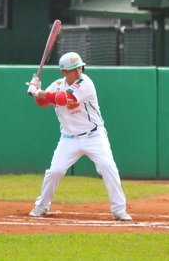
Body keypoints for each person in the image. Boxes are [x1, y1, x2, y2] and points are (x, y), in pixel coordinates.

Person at [26, 52, 132, 221]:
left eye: (79, 68)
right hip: (68, 138)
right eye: (73, 70)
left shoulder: (86, 83)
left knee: (107, 167)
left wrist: (38, 91)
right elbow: (43, 103)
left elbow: (63, 99)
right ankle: (41, 206)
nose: (77, 72)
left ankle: (119, 210)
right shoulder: (57, 84)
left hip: (94, 136)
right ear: (64, 72)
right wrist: (36, 90)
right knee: (55, 171)